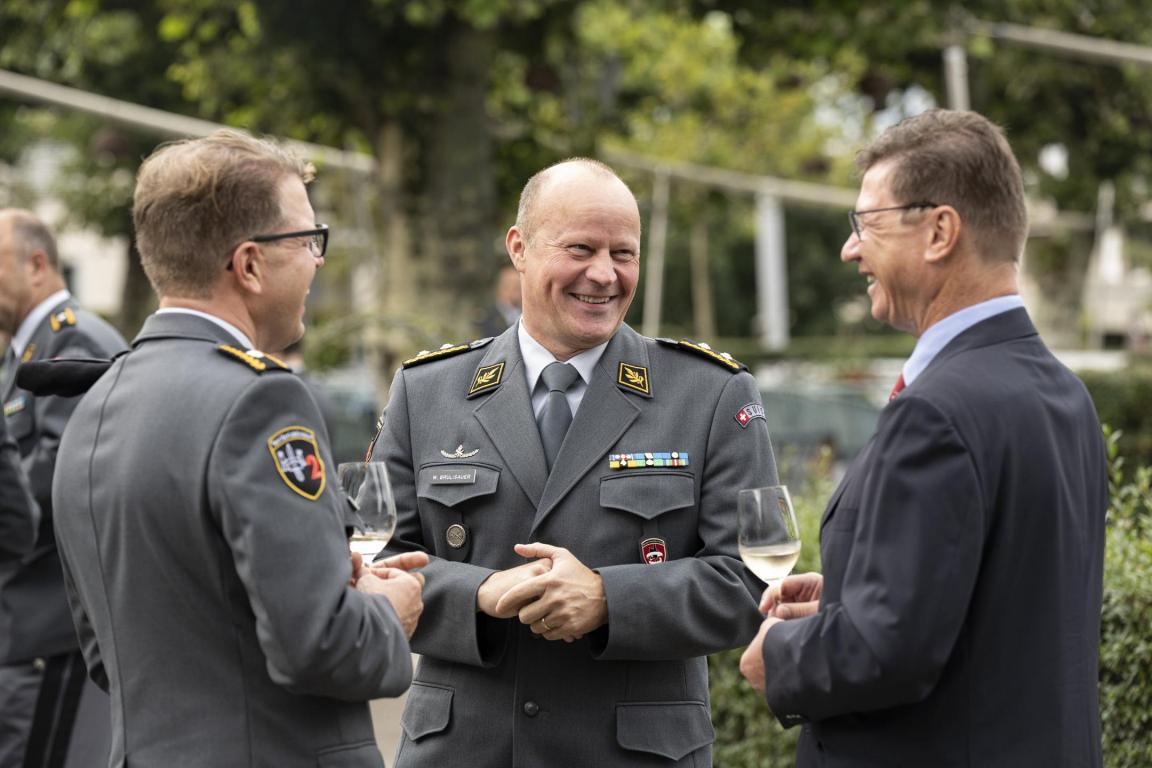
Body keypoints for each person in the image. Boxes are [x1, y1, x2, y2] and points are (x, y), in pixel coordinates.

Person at [369, 157, 778, 767]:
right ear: (519, 248)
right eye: (581, 248)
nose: (604, 274)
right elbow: (373, 562)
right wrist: (479, 592)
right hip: (463, 751)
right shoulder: (427, 390)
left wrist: (610, 598)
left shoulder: (710, 393)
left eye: (624, 253)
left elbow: (753, 579)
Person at [739, 110, 1108, 767]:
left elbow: (886, 654)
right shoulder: (1064, 393)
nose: (851, 249)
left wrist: (780, 655)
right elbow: (1005, 602)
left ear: (939, 232)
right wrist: (848, 596)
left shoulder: (937, 410)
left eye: (866, 223)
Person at [51, 129, 425, 767]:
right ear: (249, 265)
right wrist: (387, 611)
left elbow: (111, 653)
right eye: (307, 240)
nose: (318, 260)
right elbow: (324, 648)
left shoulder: (96, 401)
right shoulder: (260, 400)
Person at [0, 209, 127, 768]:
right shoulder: (25, 348)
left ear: (36, 264)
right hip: (25, 624)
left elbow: (65, 473)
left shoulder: (75, 337)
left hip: (54, 629)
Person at [474, 264, 522, 337]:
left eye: (518, 287)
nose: (515, 292)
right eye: (508, 286)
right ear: (500, 288)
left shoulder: (525, 317)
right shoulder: (485, 318)